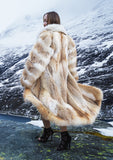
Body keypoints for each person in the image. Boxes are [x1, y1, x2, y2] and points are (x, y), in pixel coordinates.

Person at [21, 11, 103, 151]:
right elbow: (72, 62)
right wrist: (71, 78)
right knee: (47, 105)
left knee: (51, 107)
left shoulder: (46, 35)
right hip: (61, 79)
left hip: (47, 78)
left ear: (53, 20)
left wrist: (28, 78)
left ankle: (64, 136)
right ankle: (50, 132)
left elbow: (37, 60)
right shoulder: (68, 38)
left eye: (46, 20)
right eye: (43, 20)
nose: (44, 23)